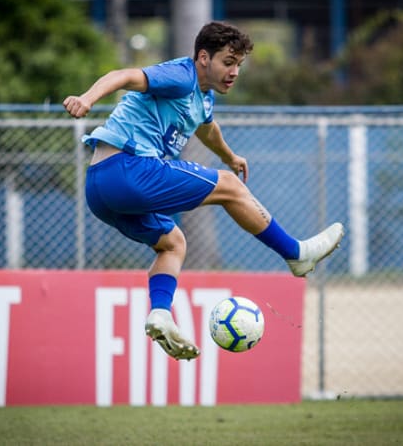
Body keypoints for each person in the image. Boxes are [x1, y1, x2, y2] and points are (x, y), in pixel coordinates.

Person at [63, 21, 343, 361]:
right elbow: (123, 75)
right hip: (127, 169)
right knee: (228, 186)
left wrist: (229, 156)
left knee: (173, 243)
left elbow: (207, 130)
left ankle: (160, 314)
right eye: (228, 62)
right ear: (203, 58)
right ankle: (296, 254)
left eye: (239, 64)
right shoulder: (181, 76)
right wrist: (87, 99)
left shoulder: (203, 98)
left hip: (100, 188)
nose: (235, 71)